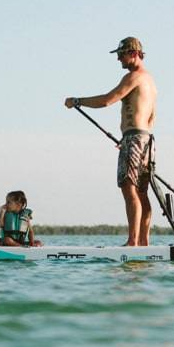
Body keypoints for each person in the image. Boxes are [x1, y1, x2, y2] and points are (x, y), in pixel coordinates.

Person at [64, 36, 157, 247]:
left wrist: (77, 101)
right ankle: (144, 242)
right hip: (146, 138)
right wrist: (133, 140)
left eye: (121, 55)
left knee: (129, 187)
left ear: (133, 53)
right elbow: (152, 117)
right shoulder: (150, 81)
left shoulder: (134, 76)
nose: (118, 60)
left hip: (135, 138)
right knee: (142, 191)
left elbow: (107, 100)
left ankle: (133, 242)